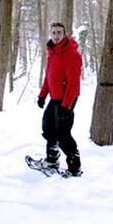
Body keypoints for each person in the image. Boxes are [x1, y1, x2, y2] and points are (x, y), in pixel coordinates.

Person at [37, 22, 82, 177]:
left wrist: (67, 105)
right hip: (55, 98)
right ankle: (52, 160)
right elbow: (49, 78)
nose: (56, 36)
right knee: (48, 129)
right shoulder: (53, 53)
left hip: (67, 99)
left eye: (59, 33)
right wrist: (42, 95)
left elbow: (74, 83)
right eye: (54, 33)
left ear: (64, 34)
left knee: (63, 134)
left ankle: (74, 168)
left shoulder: (71, 54)